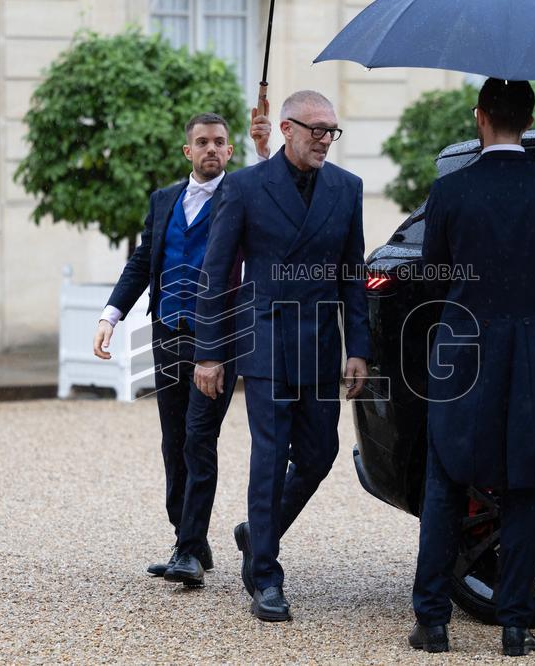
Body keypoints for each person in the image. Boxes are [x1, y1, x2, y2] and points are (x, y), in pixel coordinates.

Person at [410, 79, 535, 655]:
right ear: (527, 119)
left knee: (446, 481)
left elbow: (435, 271)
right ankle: (516, 626)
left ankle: (433, 622)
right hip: (533, 358)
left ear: (480, 118)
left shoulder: (451, 190)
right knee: (526, 485)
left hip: (463, 353)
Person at [192, 90, 370, 622]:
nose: (324, 140)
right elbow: (217, 274)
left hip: (319, 345)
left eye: (331, 131)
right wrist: (209, 353)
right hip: (265, 343)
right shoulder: (245, 188)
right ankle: (266, 575)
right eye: (316, 130)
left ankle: (256, 531)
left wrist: (358, 346)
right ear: (286, 130)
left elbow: (351, 276)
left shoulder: (348, 188)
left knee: (319, 455)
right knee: (269, 457)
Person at [92, 111, 271, 588]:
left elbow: (275, 188)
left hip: (219, 339)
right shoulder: (163, 200)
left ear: (229, 152)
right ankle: (187, 538)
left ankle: (189, 550)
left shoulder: (244, 196)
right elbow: (142, 261)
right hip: (168, 331)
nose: (211, 149)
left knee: (198, 438)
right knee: (173, 441)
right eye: (202, 142)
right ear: (187, 151)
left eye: (219, 143)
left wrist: (263, 147)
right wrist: (111, 315)